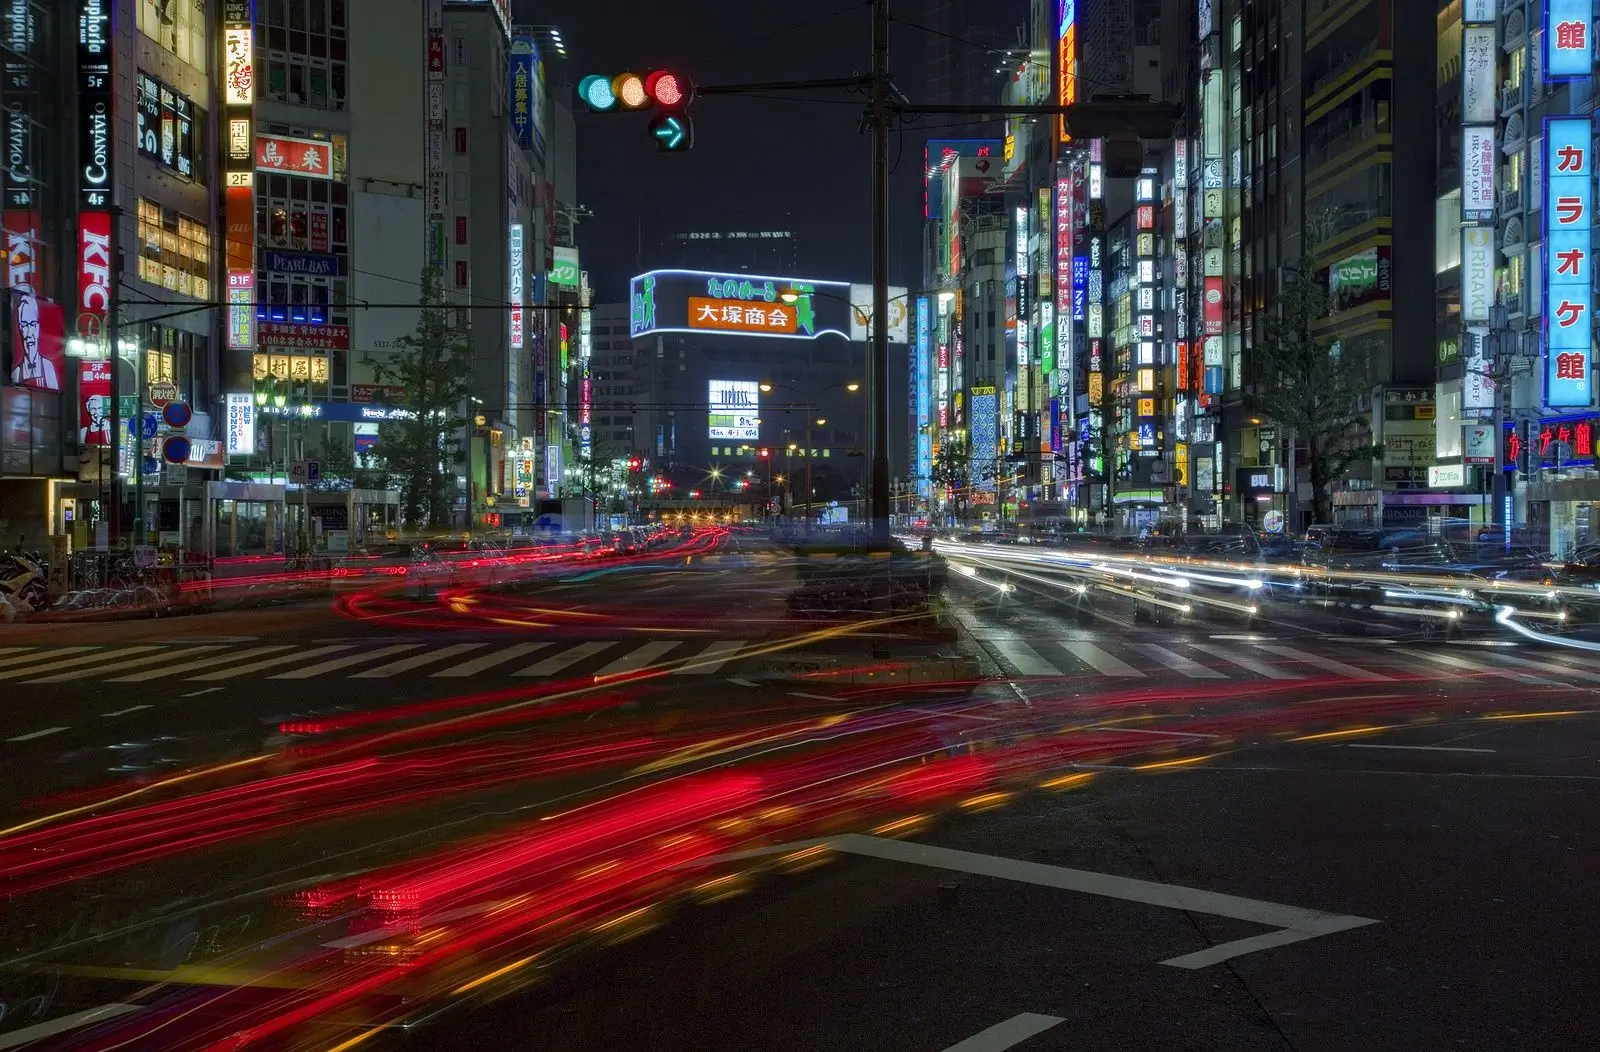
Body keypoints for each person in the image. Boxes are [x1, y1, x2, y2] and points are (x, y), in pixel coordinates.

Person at [10, 286, 59, 390]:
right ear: (20, 329)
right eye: (24, 325)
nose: (29, 334)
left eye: (32, 324)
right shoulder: (16, 372)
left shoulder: (48, 367)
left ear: (37, 327)